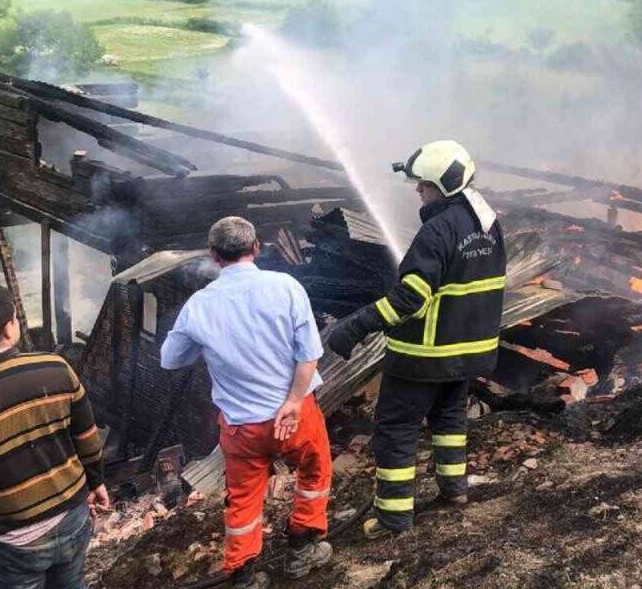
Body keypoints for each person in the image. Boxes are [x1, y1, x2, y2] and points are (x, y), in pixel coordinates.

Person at [327, 140, 506, 540]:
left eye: (422, 185)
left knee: (396, 428)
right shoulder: (489, 224)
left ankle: (393, 518)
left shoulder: (437, 231)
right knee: (449, 419)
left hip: (424, 355)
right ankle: (454, 491)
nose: (417, 191)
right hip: (468, 352)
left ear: (441, 187)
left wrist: (356, 326)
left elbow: (410, 297)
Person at [160, 216, 333, 589]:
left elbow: (170, 359)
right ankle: (302, 549)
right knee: (315, 471)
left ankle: (243, 573)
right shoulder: (285, 287)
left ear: (214, 255)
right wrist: (291, 402)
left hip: (242, 427)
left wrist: (207, 345)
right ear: (256, 248)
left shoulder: (199, 305)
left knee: (243, 498)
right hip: (295, 415)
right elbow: (309, 355)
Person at [0, 284, 110, 589]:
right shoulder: (56, 368)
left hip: (12, 541)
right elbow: (87, 437)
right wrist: (97, 480)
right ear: (9, 329)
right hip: (71, 517)